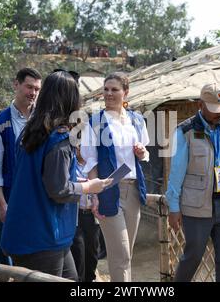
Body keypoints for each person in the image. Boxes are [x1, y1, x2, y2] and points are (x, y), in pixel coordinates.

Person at [0, 70, 111, 279]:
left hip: (26, 231)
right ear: (71, 99)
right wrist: (89, 187)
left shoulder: (31, 131)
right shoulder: (59, 138)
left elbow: (40, 177)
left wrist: (72, 181)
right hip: (44, 236)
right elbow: (59, 190)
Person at [166, 83, 220, 282]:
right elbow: (176, 172)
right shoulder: (184, 132)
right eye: (215, 110)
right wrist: (174, 207)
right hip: (196, 207)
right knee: (192, 257)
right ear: (200, 105)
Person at [81, 72, 150, 282]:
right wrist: (95, 194)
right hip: (108, 191)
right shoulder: (94, 122)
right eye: (106, 89)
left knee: (126, 252)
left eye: (114, 89)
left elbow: (145, 152)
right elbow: (90, 160)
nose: (109, 94)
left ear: (125, 92)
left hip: (133, 191)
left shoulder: (136, 120)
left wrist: (141, 152)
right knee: (120, 254)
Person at [0, 67, 42, 265]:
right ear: (16, 85)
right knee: (7, 248)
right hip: (9, 194)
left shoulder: (43, 118)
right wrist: (2, 204)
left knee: (34, 248)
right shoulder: (0, 122)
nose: (33, 93)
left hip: (36, 194)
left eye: (37, 89)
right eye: (29, 87)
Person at [71, 147, 101, 282]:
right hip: (76, 214)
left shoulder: (95, 165)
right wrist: (87, 184)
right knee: (79, 252)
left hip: (91, 214)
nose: (81, 149)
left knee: (93, 251)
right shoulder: (70, 163)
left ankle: (91, 279)